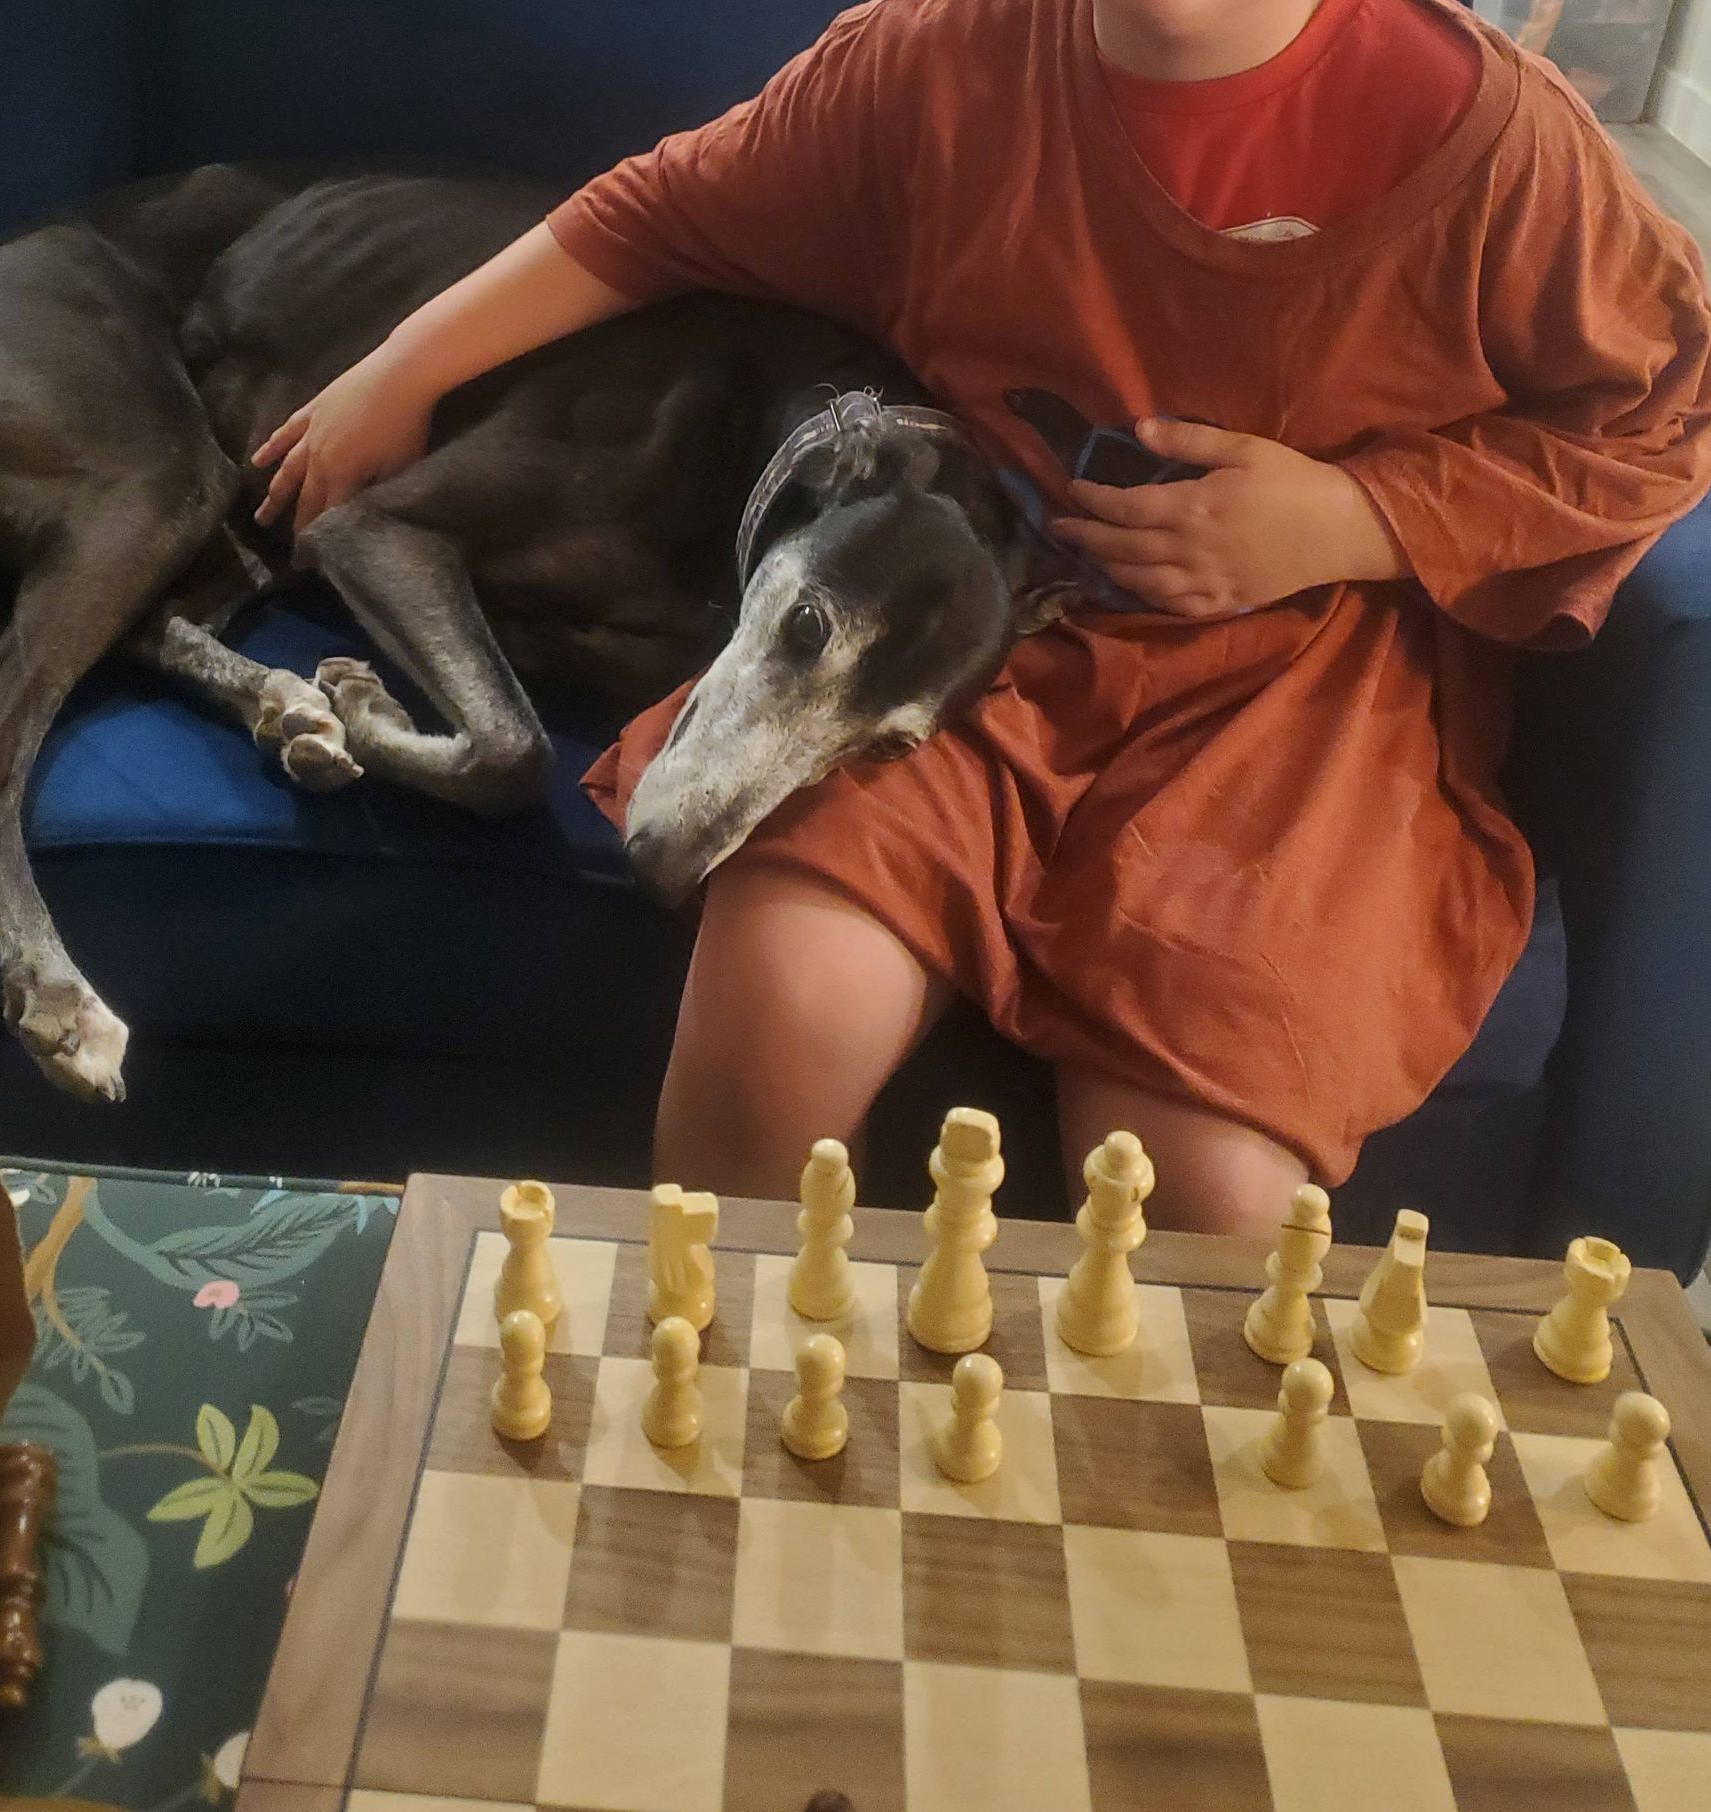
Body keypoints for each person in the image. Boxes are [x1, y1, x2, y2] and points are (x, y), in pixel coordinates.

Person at [254, 0, 1711, 1234]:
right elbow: (664, 210)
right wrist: (402, 365)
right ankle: (713, 1449)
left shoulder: (1492, 142)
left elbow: (1658, 407)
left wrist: (1357, 519)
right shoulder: (940, 57)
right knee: (780, 1002)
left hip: (1307, 685)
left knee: (1202, 1176)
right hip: (975, 626)